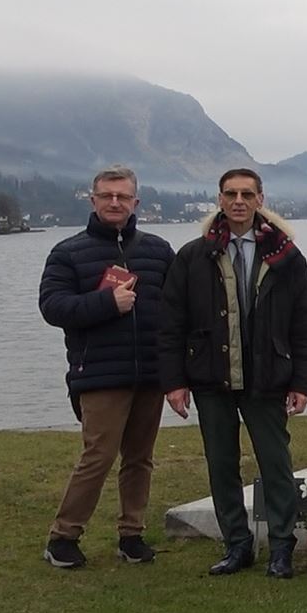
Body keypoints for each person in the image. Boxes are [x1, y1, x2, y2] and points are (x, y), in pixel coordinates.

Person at [159, 168, 307, 579]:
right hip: (211, 378)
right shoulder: (193, 257)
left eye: (247, 194)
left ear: (260, 199)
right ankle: (237, 545)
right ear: (219, 200)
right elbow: (171, 324)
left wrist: (302, 383)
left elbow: (306, 324)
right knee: (221, 462)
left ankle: (281, 548)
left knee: (275, 463)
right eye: (230, 193)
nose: (238, 201)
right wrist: (175, 382)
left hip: (267, 377)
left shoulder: (285, 257)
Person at [38, 165, 174, 569]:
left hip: (149, 374)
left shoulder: (158, 251)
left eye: (123, 196)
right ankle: (63, 536)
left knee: (140, 458)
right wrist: (106, 304)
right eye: (106, 196)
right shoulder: (68, 253)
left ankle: (131, 534)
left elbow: (176, 310)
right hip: (98, 374)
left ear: (136, 203)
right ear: (93, 200)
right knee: (97, 456)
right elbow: (52, 307)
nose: (115, 203)